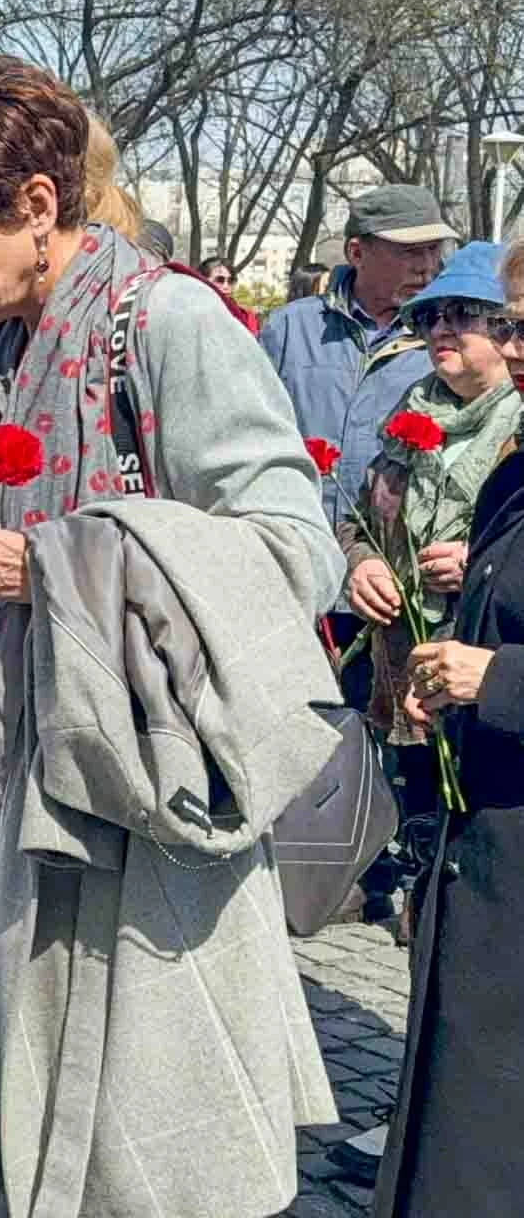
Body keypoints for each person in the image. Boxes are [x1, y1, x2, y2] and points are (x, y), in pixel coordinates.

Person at [0, 56, 341, 1218]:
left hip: (114, 788)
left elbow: (296, 548)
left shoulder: (165, 321)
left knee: (102, 1115)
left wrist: (57, 565)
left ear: (38, 207)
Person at [372, 240, 524, 1215]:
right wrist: (447, 668)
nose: (515, 351)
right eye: (517, 325)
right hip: (486, 858)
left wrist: (498, 679)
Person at [343, 243, 521, 895]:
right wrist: (361, 564)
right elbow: (357, 521)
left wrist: (481, 561)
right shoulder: (407, 416)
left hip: (491, 698)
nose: (440, 329)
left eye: (463, 314)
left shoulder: (516, 427)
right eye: (428, 317)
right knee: (423, 869)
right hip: (404, 679)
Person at [260, 184, 450, 533]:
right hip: (297, 543)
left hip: (389, 563)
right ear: (357, 253)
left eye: (434, 250)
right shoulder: (289, 329)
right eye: (409, 252)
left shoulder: (446, 338)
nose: (426, 267)